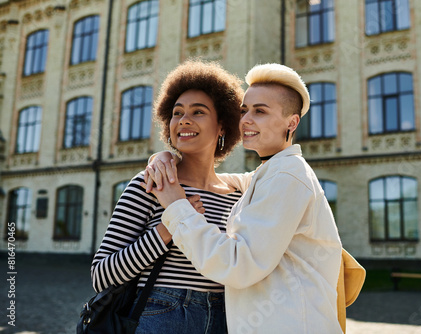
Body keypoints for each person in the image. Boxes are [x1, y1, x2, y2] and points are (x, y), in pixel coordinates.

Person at [146, 63, 344, 333]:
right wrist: (167, 158)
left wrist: (177, 207)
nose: (246, 120)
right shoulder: (271, 173)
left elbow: (238, 265)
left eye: (260, 111)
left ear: (292, 122)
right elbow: (229, 181)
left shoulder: (288, 175)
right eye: (244, 110)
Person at [90, 60, 244, 334]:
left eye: (198, 112)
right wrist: (169, 226)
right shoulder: (152, 184)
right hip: (161, 316)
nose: (184, 119)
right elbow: (102, 275)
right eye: (177, 112)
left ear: (222, 126)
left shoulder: (238, 196)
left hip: (228, 318)